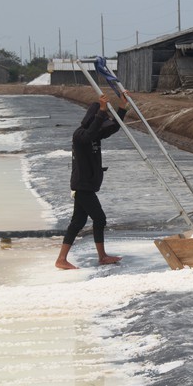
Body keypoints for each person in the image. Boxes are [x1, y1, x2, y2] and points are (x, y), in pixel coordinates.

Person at [55, 93, 128, 270]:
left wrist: (122, 108)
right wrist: (101, 111)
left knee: (78, 222)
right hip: (82, 186)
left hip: (87, 186)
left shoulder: (95, 135)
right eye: (100, 120)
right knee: (99, 218)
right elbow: (88, 136)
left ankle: (61, 259)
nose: (102, 125)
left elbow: (114, 128)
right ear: (92, 118)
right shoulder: (79, 136)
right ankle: (101, 257)